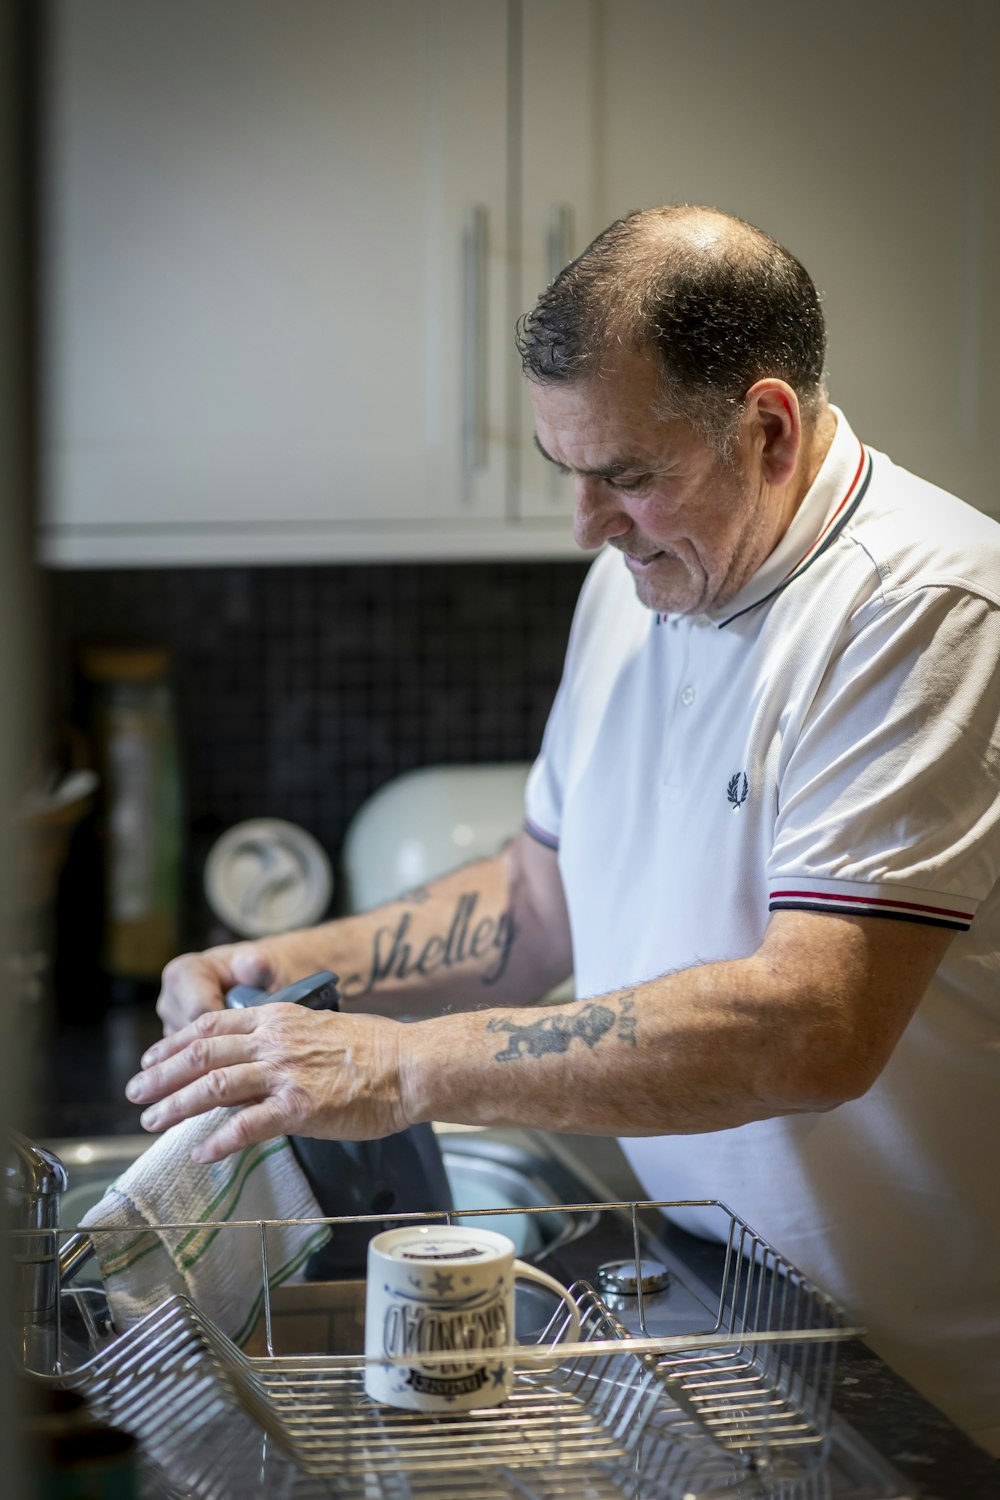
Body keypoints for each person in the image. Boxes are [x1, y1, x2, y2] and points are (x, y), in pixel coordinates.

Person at [128, 206, 1000, 1453]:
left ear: (767, 429)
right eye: (568, 473)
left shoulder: (928, 613)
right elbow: (539, 906)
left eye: (627, 476)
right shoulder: (638, 578)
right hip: (717, 1309)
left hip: (922, 1385)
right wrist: (278, 976)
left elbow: (816, 1024)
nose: (586, 526)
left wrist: (400, 1065)